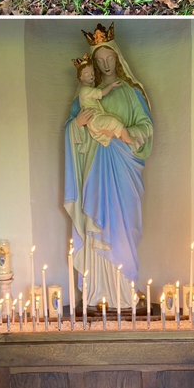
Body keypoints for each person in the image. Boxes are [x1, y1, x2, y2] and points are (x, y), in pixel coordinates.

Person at [64, 26, 154, 310]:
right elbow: (71, 132)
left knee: (124, 223)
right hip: (95, 167)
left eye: (109, 59)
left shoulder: (131, 91)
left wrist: (125, 134)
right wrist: (76, 126)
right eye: (99, 61)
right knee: (97, 222)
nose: (105, 65)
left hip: (124, 165)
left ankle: (125, 289)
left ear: (117, 58)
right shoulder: (86, 95)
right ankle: (97, 292)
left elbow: (147, 127)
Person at [72, 56, 134, 148]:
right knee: (113, 121)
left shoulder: (89, 90)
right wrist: (112, 86)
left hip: (96, 120)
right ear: (80, 77)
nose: (91, 75)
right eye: (87, 74)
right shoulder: (85, 91)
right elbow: (102, 93)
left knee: (113, 123)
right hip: (95, 119)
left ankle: (116, 135)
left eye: (92, 72)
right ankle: (126, 138)